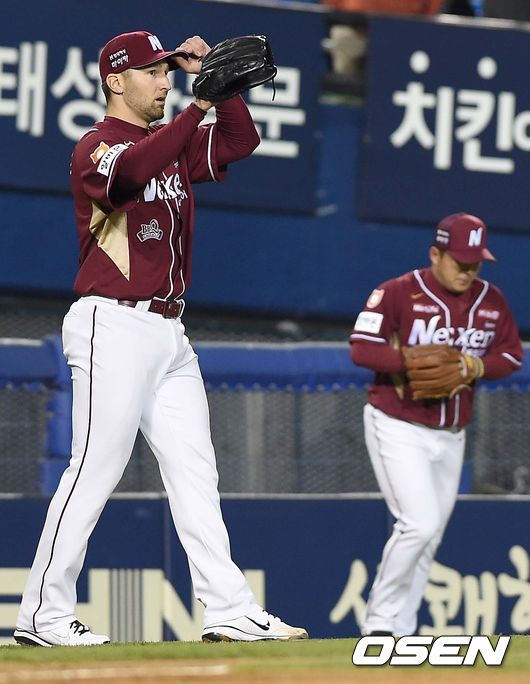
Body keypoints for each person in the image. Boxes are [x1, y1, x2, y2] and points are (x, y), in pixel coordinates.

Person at [14, 30, 308, 647]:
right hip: (113, 323)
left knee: (196, 472)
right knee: (94, 469)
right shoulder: (96, 145)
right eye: (150, 71)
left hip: (169, 332)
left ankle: (229, 609)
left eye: (166, 69)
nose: (163, 80)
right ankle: (43, 612)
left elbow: (240, 142)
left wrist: (218, 86)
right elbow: (131, 173)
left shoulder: (170, 143)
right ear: (115, 81)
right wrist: (198, 106)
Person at [349, 213, 523, 636]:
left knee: (429, 539)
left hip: (452, 434)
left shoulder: (491, 300)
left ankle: (402, 630)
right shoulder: (398, 292)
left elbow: (512, 355)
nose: (468, 271)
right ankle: (379, 624)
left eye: (475, 263)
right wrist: (408, 359)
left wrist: (475, 365)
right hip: (398, 423)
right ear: (435, 254)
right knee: (419, 524)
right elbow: (362, 349)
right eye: (460, 261)